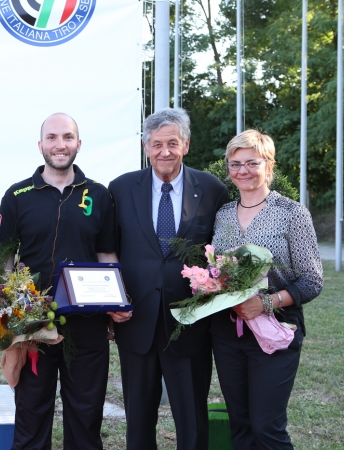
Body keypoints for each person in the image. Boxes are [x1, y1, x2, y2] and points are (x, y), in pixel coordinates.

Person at [0, 113, 131, 450]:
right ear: (41, 145)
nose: (60, 144)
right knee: (31, 412)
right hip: (34, 325)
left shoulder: (98, 194)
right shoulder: (17, 195)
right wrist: (12, 307)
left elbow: (107, 255)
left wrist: (119, 301)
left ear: (78, 144)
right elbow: (1, 259)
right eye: (52, 138)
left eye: (68, 137)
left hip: (87, 325)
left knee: (86, 416)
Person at [108, 107, 228, 450]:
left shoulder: (211, 189)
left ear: (186, 145)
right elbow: (110, 252)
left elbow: (220, 252)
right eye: (157, 144)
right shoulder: (120, 188)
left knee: (192, 422)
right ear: (146, 147)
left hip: (190, 325)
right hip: (136, 322)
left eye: (172, 143)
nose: (165, 152)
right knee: (138, 420)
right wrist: (113, 302)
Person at [209, 130, 323, 449]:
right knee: (241, 426)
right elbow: (215, 268)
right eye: (235, 163)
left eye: (251, 162)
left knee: (266, 427)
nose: (242, 170)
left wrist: (267, 303)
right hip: (228, 333)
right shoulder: (222, 215)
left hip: (276, 330)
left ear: (268, 164)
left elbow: (312, 280)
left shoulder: (291, 213)